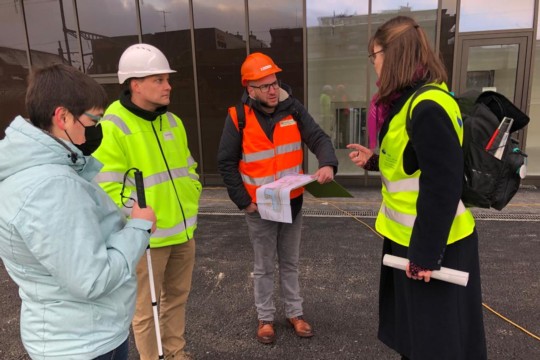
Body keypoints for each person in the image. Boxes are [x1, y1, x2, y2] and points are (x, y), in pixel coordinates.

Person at [347, 16, 487, 360]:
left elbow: (442, 183)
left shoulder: (426, 106)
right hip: (416, 241)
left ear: (393, 55)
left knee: (434, 344)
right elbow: (415, 163)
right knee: (418, 338)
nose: (374, 64)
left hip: (432, 245)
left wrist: (425, 254)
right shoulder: (413, 102)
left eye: (375, 55)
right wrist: (375, 161)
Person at [0, 64, 156, 360]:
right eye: (93, 120)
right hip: (86, 341)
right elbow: (91, 278)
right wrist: (139, 228)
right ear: (62, 117)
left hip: (66, 334)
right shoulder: (51, 187)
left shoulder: (26, 173)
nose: (97, 130)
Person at [217, 52, 338, 344]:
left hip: (292, 202)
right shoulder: (238, 117)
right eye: (265, 85)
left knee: (291, 262)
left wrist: (327, 163)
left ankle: (294, 313)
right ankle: (265, 318)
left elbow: (318, 138)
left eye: (274, 82)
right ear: (250, 89)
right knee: (263, 266)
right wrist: (244, 202)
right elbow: (226, 162)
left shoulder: (293, 109)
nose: (273, 89)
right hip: (258, 207)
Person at [92, 43, 201, 360]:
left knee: (177, 298)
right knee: (145, 308)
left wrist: (192, 195)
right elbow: (105, 189)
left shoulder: (173, 122)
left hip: (183, 231)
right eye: (159, 80)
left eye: (168, 79)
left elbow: (189, 168)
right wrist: (137, 221)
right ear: (135, 84)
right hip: (146, 239)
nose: (168, 86)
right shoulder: (112, 127)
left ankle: (176, 353)